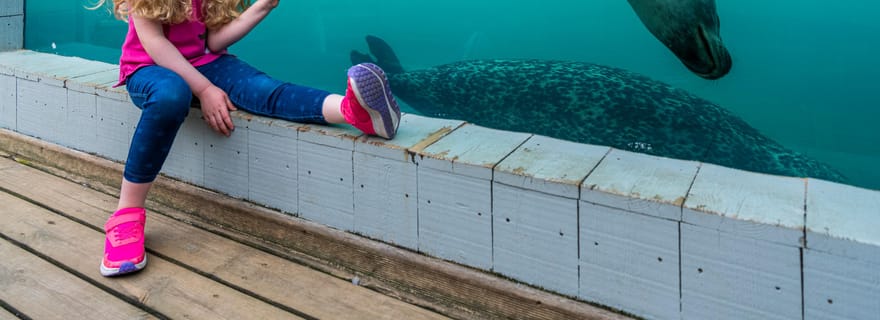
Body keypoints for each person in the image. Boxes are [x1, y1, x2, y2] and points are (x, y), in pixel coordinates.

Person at [91, 0, 400, 277]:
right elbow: (156, 44)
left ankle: (352, 111)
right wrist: (205, 89)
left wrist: (263, 6)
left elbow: (212, 42)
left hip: (203, 62)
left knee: (264, 88)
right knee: (172, 94)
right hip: (149, 69)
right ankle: (126, 214)